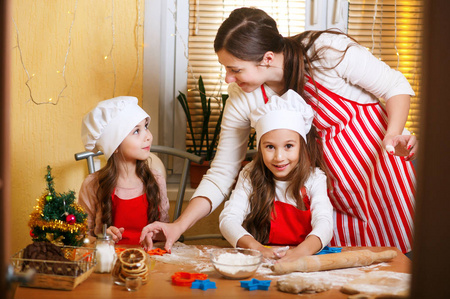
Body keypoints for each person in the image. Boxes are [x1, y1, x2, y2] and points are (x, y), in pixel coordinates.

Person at [141, 7, 416, 255]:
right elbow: (222, 173)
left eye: (235, 69)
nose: (228, 78)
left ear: (267, 58)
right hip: (330, 190)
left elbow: (396, 86)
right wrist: (178, 226)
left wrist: (392, 135)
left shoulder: (326, 53)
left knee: (409, 266)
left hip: (380, 173)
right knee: (355, 271)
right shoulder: (243, 99)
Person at [219, 90, 333, 262]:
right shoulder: (250, 175)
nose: (279, 157)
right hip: (262, 259)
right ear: (260, 148)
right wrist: (256, 248)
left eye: (288, 146)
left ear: (301, 146)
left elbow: (325, 223)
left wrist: (299, 254)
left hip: (305, 258)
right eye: (270, 147)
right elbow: (228, 219)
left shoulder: (314, 178)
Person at [79, 96, 169, 245]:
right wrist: (102, 239)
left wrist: (158, 234)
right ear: (114, 145)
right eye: (136, 131)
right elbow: (82, 238)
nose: (148, 136)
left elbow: (166, 235)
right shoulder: (92, 184)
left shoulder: (156, 180)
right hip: (110, 263)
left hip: (150, 263)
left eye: (145, 127)